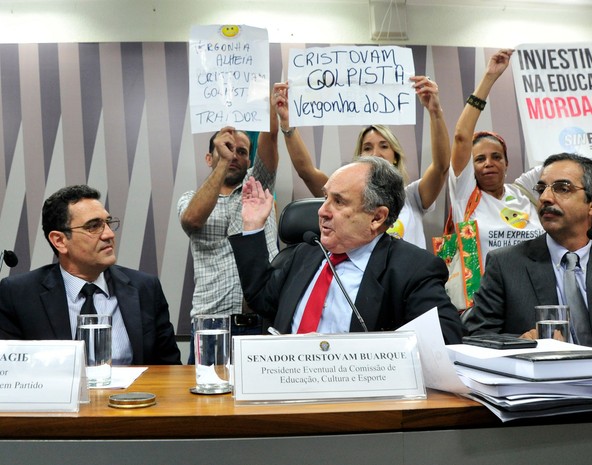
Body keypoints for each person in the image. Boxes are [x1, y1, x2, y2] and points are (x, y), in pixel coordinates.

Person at [228, 156, 464, 344]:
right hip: (287, 390)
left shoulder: (412, 269)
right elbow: (261, 297)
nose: (322, 211)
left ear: (377, 217)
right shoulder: (306, 253)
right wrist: (252, 226)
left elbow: (445, 340)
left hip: (357, 398)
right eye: (325, 198)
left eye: (338, 202)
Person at [0, 185, 181, 365]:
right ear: (60, 241)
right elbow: (10, 374)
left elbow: (170, 369)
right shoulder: (18, 295)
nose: (109, 234)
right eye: (93, 226)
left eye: (108, 223)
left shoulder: (145, 288)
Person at [273, 75, 449, 248]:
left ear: (395, 156)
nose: (376, 153)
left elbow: (441, 167)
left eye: (384, 146)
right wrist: (287, 124)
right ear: (359, 158)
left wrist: (435, 111)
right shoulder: (343, 195)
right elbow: (307, 172)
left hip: (407, 276)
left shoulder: (412, 197)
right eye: (367, 148)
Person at [465, 153, 592, 349]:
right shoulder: (505, 265)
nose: (545, 198)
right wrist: (518, 343)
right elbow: (476, 338)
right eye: (541, 189)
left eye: (562, 189)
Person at [177, 95, 279, 362]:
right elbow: (193, 221)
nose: (234, 155)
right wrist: (223, 163)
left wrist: (270, 108)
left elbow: (270, 141)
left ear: (249, 161)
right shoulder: (190, 198)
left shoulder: (259, 188)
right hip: (210, 324)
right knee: (206, 402)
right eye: (227, 149)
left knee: (261, 403)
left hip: (260, 322)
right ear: (209, 157)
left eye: (242, 152)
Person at [450, 49, 545, 266]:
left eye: (496, 157)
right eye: (480, 159)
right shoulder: (464, 196)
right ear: (470, 168)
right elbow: (461, 137)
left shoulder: (524, 191)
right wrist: (489, 78)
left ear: (506, 163)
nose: (489, 163)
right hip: (483, 298)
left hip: (532, 294)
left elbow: (561, 155)